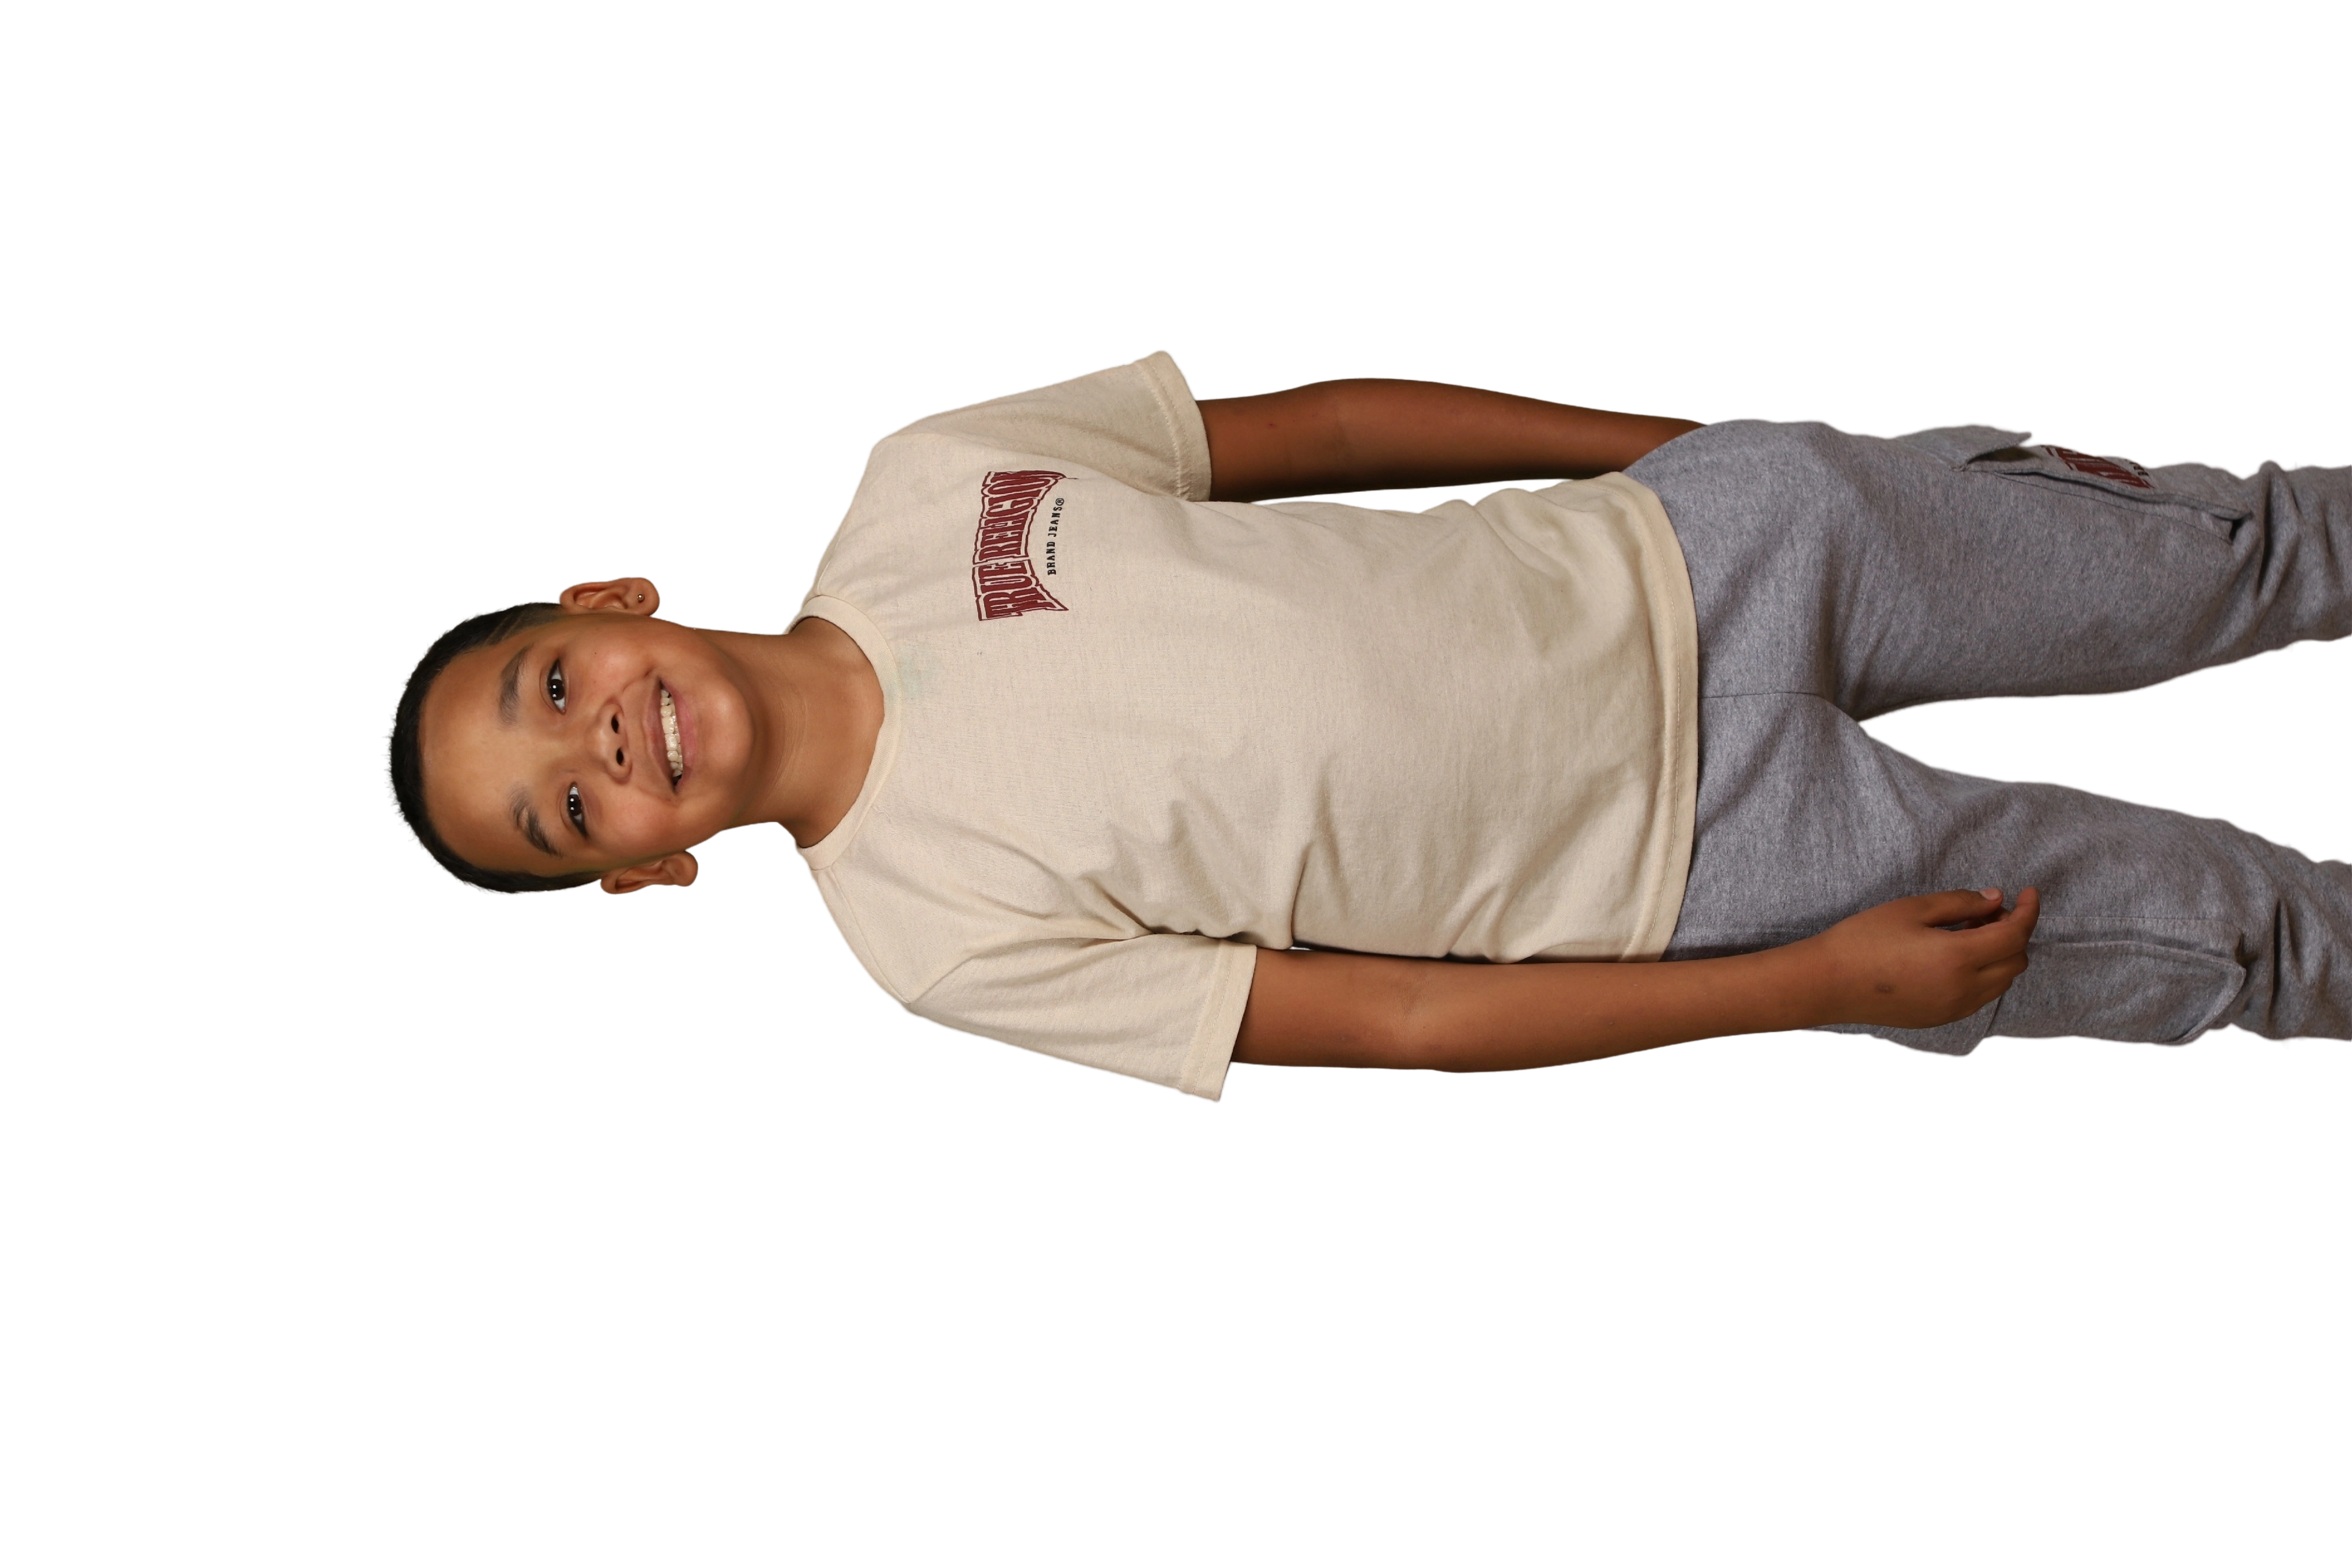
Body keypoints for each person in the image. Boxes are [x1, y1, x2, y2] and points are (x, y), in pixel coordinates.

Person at [381, 351, 2352, 1102]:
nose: (599, 750)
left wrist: (1695, 449)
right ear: (642, 873)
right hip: (1713, 869)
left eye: (547, 692)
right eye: (562, 815)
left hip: (1720, 547)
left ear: (610, 603)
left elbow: (1326, 430)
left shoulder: (924, 484)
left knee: (2241, 556)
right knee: (2248, 941)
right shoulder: (930, 938)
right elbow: (1399, 1017)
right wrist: (1811, 981)